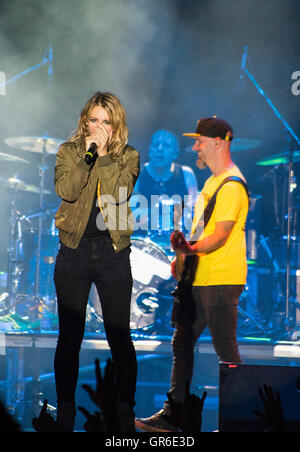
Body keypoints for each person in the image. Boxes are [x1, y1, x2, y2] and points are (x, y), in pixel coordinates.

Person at [135, 116, 249, 432]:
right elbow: (200, 233)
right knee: (181, 343)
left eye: (199, 141)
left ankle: (240, 419)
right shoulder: (211, 182)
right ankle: (174, 414)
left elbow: (221, 235)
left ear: (217, 143)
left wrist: (189, 250)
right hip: (200, 280)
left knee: (226, 351)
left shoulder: (231, 185)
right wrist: (182, 259)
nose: (194, 146)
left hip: (221, 281)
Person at [53, 91, 140, 432]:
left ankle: (123, 413)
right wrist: (88, 156)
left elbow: (119, 194)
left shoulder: (129, 157)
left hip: (112, 253)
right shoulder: (68, 152)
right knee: (69, 337)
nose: (99, 127)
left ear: (116, 126)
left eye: (106, 122)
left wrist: (103, 156)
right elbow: (67, 190)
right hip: (73, 251)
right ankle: (64, 413)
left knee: (118, 335)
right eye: (94, 120)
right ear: (84, 122)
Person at [131, 129, 198, 237]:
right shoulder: (136, 174)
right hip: (143, 244)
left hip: (177, 242)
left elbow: (193, 213)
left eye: (166, 145)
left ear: (176, 153)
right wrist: (153, 212)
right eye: (156, 144)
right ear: (149, 150)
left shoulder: (186, 174)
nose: (160, 149)